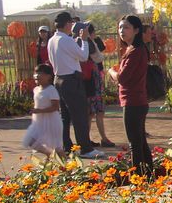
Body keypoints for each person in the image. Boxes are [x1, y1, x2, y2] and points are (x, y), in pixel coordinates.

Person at [47, 11, 102, 158]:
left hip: (58, 79)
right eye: (71, 23)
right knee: (79, 115)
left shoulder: (52, 40)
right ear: (67, 24)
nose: (72, 25)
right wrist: (83, 40)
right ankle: (86, 148)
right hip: (71, 80)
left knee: (65, 116)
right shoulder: (66, 39)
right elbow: (84, 56)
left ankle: (67, 146)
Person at [108, 14, 153, 175]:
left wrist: (111, 71)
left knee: (135, 143)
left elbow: (122, 78)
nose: (122, 31)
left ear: (136, 30)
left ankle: (138, 178)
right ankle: (148, 175)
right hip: (136, 100)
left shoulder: (135, 51)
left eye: (126, 27)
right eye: (120, 27)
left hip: (133, 101)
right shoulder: (132, 49)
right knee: (140, 141)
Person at [81, 23, 114, 148]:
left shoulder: (81, 43)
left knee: (90, 113)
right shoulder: (88, 44)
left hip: (88, 81)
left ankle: (87, 139)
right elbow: (99, 57)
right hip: (93, 81)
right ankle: (103, 138)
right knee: (98, 112)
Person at [22, 63, 64, 157]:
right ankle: (50, 154)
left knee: (57, 148)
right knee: (30, 141)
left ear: (48, 76)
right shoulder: (36, 89)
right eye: (35, 73)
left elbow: (55, 107)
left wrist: (39, 111)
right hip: (38, 122)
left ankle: (70, 168)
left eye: (40, 73)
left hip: (51, 122)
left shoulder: (51, 90)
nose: (36, 76)